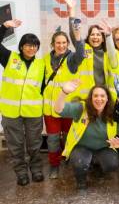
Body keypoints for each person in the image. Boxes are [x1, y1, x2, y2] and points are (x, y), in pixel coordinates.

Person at [54, 80, 119, 193]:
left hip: (103, 148)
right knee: (80, 162)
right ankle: (81, 182)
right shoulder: (81, 108)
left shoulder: (114, 111)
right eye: (95, 96)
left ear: (107, 98)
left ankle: (96, 165)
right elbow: (58, 110)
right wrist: (64, 92)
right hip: (81, 147)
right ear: (91, 98)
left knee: (112, 164)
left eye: (102, 96)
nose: (99, 99)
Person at [0, 19, 45, 186]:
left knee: (34, 144)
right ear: (21, 46)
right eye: (28, 45)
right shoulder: (9, 58)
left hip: (33, 112)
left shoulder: (41, 65)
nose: (31, 48)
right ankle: (21, 173)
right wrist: (4, 27)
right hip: (10, 112)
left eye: (34, 45)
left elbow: (44, 87)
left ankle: (36, 170)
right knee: (15, 145)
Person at [43, 29, 84, 179]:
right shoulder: (45, 60)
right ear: (53, 44)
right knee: (53, 139)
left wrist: (78, 39)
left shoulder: (71, 59)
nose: (61, 46)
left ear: (68, 44)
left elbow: (81, 54)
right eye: (58, 43)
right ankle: (54, 165)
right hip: (50, 109)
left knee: (68, 136)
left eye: (64, 43)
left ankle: (67, 158)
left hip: (67, 108)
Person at [64, 0, 115, 99]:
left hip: (103, 97)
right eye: (92, 34)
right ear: (88, 36)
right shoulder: (83, 47)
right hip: (85, 97)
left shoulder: (107, 52)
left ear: (102, 38)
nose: (95, 37)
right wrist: (72, 11)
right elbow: (74, 34)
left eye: (98, 34)